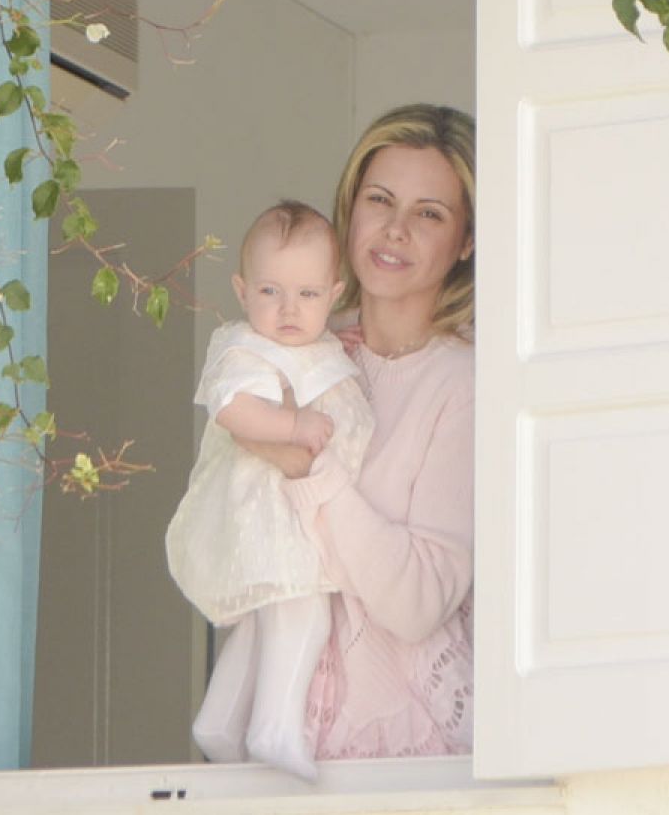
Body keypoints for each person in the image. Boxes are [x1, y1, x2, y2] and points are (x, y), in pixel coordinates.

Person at [244, 104, 476, 760]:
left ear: (465, 242)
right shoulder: (304, 361)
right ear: (349, 211)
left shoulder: (464, 383)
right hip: (288, 746)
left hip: (409, 754)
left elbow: (417, 604)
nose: (395, 230)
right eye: (380, 200)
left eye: (429, 213)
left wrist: (307, 470)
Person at [166, 200, 374, 781]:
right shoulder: (247, 349)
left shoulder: (317, 346)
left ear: (333, 295)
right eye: (270, 292)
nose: (289, 309)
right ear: (241, 290)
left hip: (286, 511)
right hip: (270, 510)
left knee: (265, 618)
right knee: (304, 610)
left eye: (308, 294)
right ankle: (275, 727)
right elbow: (232, 410)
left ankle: (221, 720)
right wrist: (292, 426)